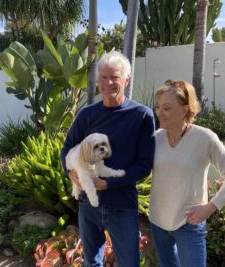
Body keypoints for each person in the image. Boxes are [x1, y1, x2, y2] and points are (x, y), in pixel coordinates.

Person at [60, 51, 155, 267]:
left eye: (115, 77)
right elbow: (67, 148)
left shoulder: (142, 115)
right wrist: (71, 173)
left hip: (122, 205)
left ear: (127, 80)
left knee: (129, 263)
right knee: (91, 263)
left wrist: (108, 183)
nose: (108, 82)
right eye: (103, 77)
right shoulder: (87, 115)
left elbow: (144, 165)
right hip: (88, 206)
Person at [149, 80, 225, 267]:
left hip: (189, 224)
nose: (159, 113)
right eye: (158, 107)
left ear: (185, 110)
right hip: (158, 222)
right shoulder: (155, 138)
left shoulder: (204, 138)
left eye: (166, 108)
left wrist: (210, 207)